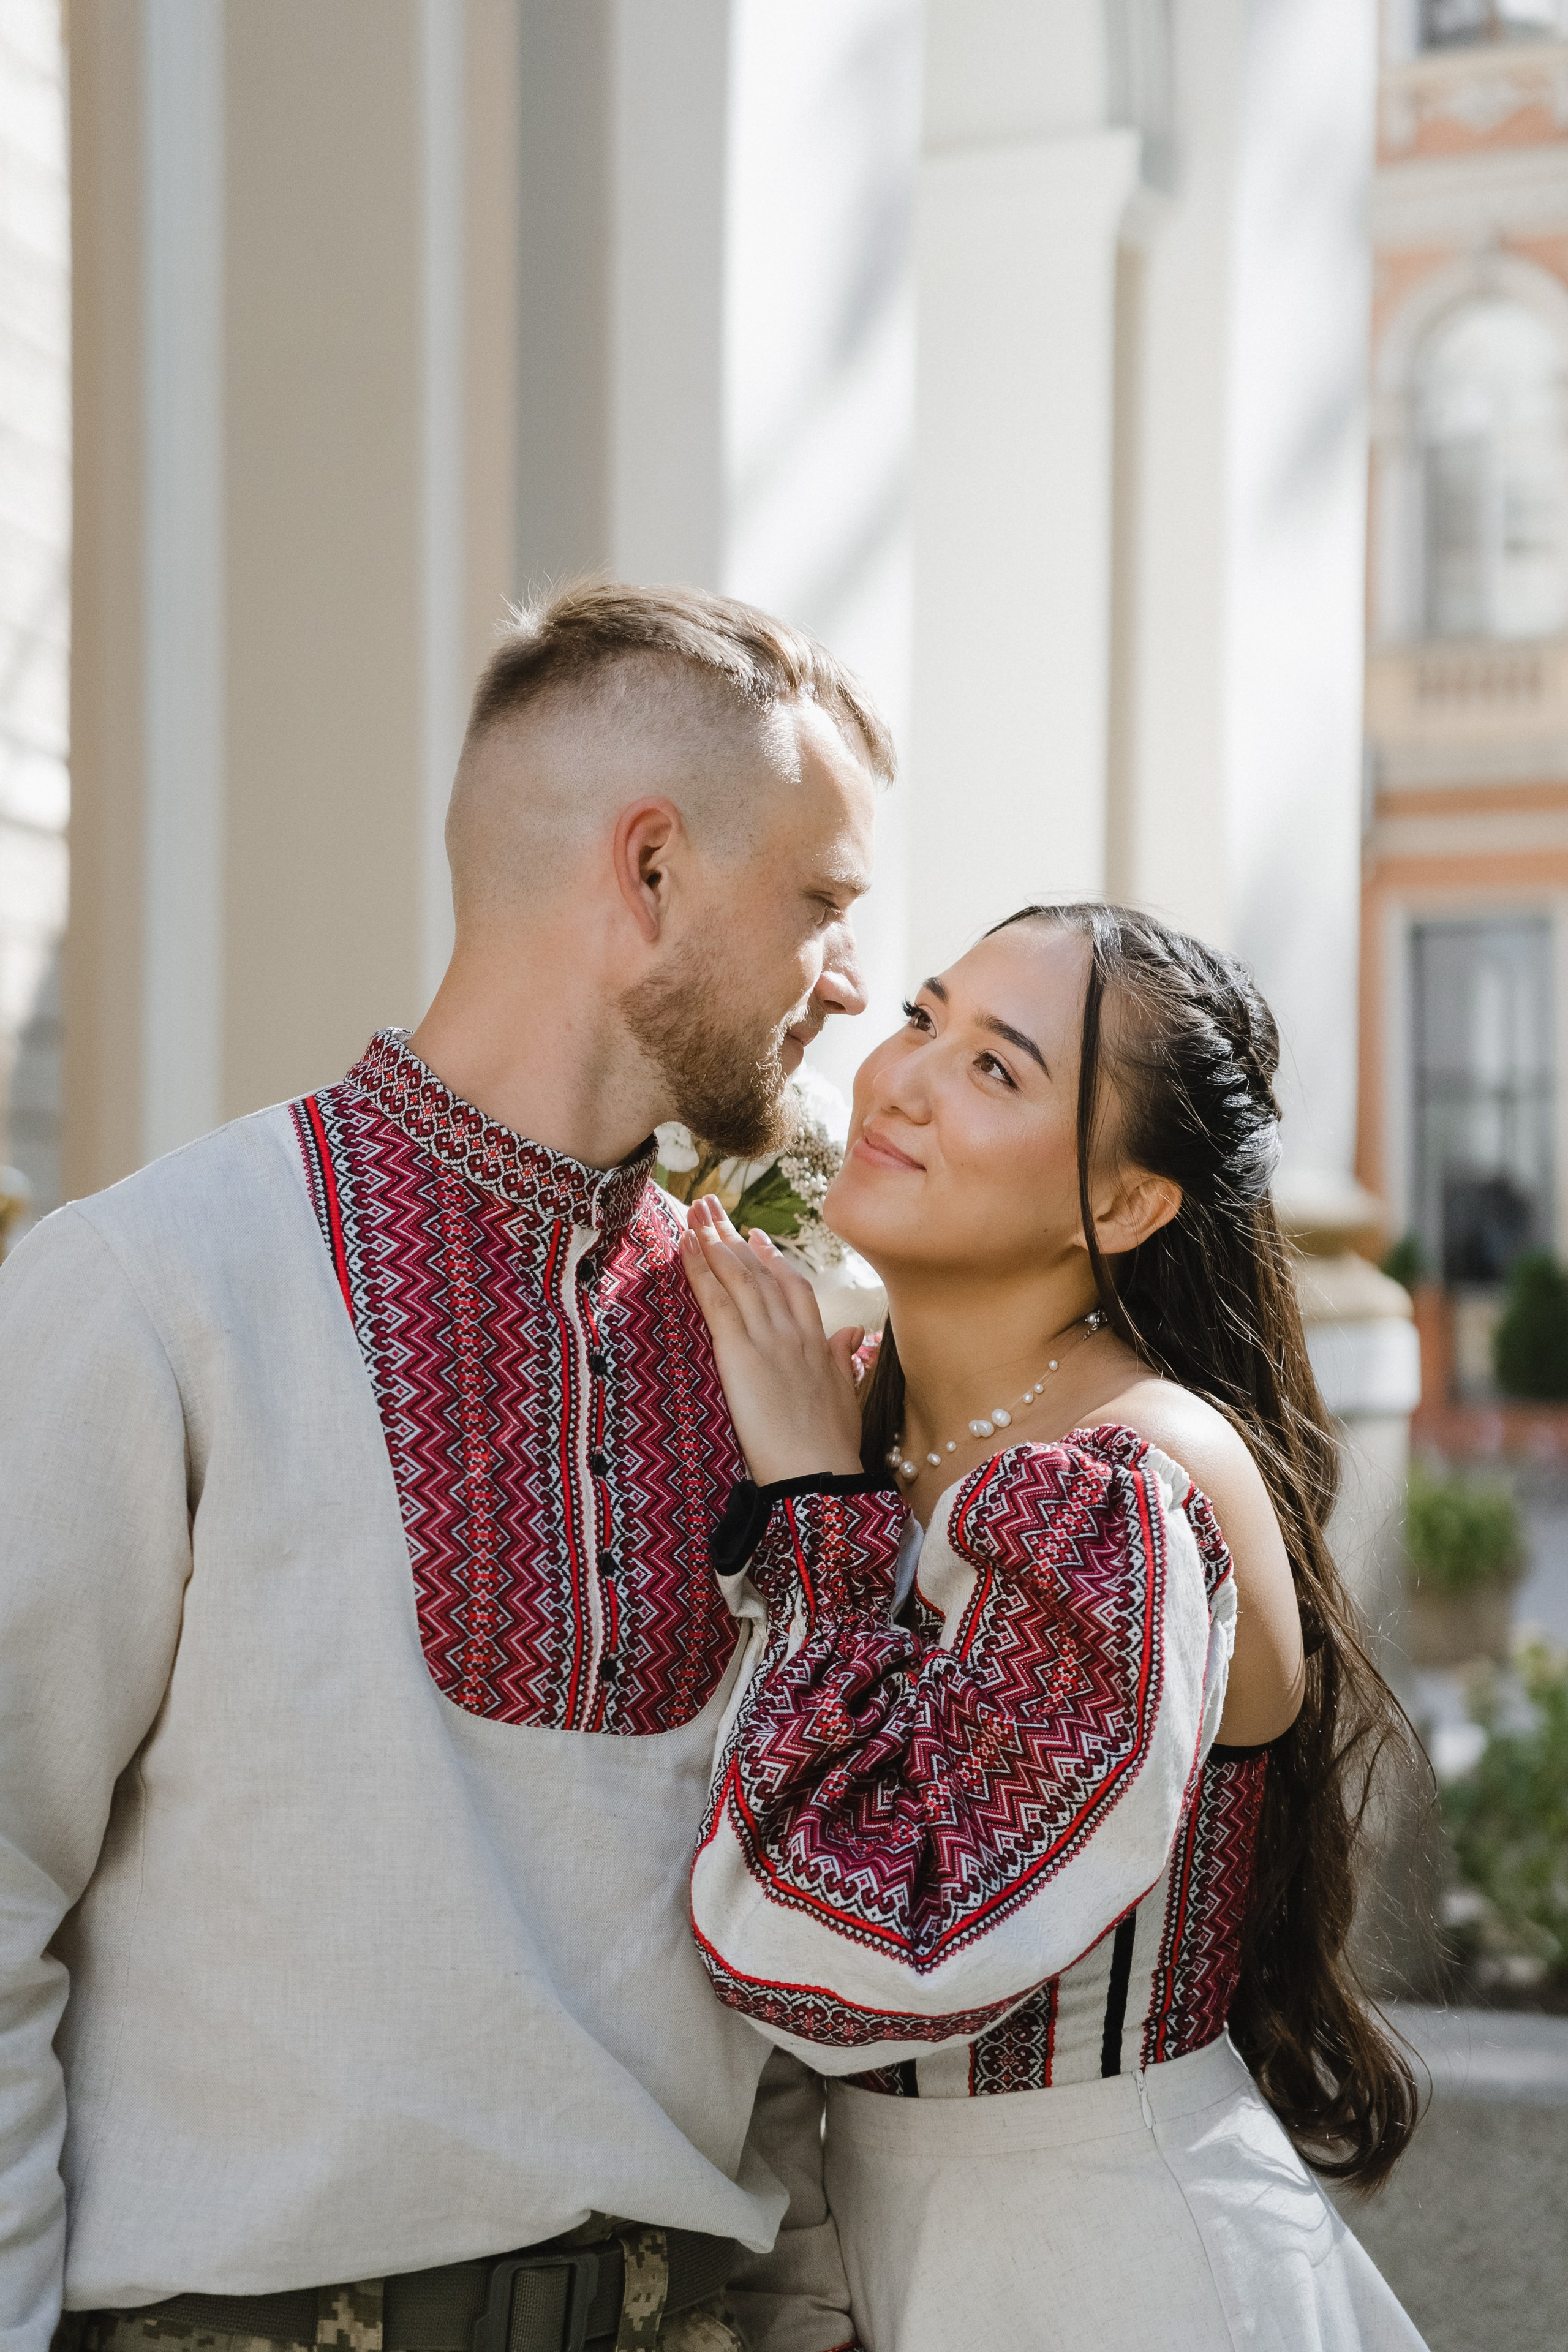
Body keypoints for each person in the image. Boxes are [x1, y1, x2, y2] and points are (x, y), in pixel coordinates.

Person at [0, 582, 888, 2352]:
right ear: (650, 876)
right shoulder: (158, 1283)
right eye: (821, 906)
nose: (851, 981)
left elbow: (779, 1941)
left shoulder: (768, 1352)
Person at [679, 902, 1430, 2352]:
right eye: (920, 1014)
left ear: (1130, 1203)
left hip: (1107, 2266)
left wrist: (818, 1515)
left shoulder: (1131, 1485)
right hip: (890, 2258)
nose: (898, 1078)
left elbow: (865, 1946)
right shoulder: (851, 1413)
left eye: (994, 1069)